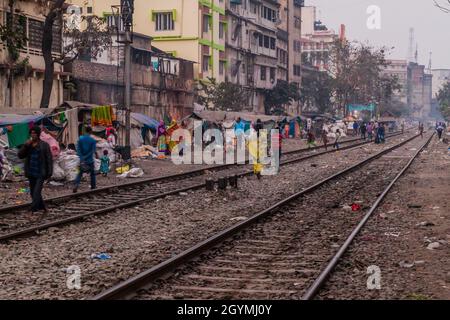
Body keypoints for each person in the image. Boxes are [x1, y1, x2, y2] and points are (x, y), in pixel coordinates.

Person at [17, 126, 53, 213]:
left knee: (37, 191)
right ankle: (42, 207)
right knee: (33, 192)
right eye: (31, 133)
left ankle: (33, 208)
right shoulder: (28, 145)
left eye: (35, 133)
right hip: (31, 172)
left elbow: (49, 159)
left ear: (38, 134)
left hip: (41, 172)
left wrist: (50, 173)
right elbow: (20, 155)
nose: (33, 135)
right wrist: (25, 146)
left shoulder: (44, 145)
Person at [73, 126, 97, 193]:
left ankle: (76, 184)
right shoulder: (92, 140)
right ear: (91, 132)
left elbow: (78, 150)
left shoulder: (80, 139)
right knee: (92, 173)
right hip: (90, 160)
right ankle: (93, 186)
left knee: (80, 173)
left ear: (85, 131)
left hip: (82, 160)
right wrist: (87, 157)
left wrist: (82, 158)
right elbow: (93, 151)